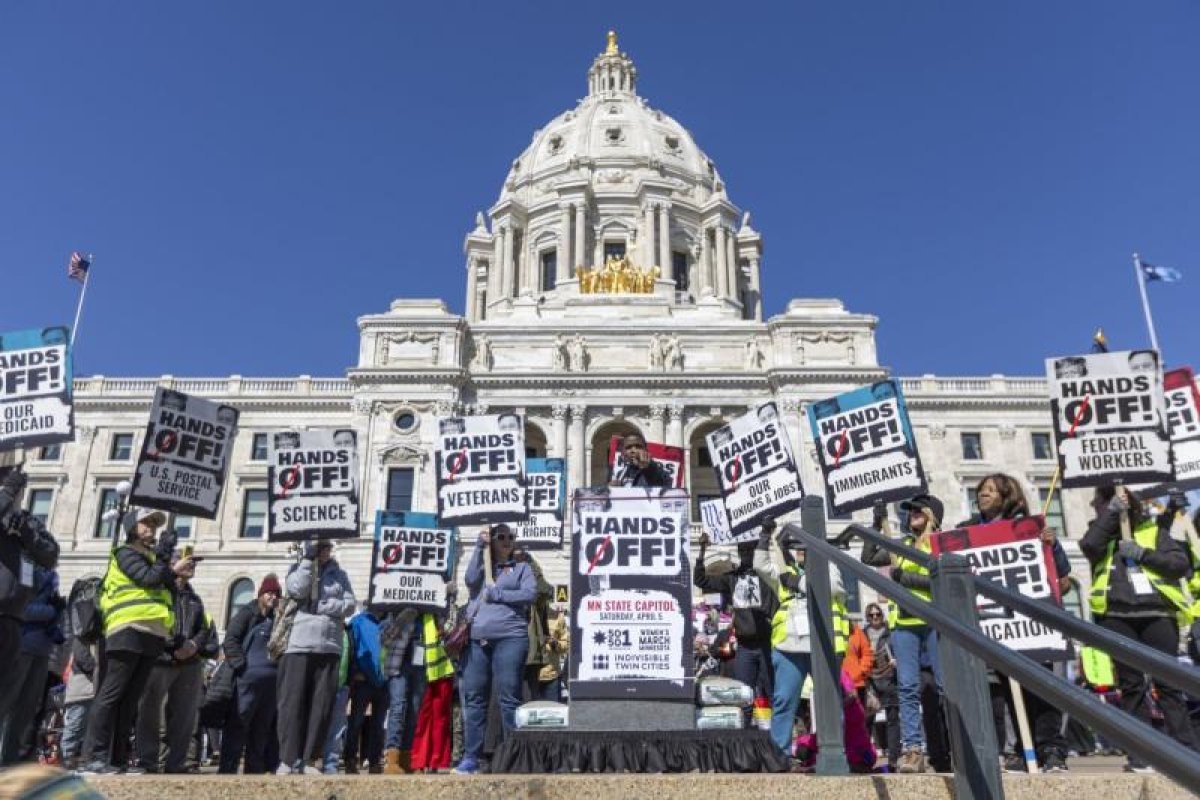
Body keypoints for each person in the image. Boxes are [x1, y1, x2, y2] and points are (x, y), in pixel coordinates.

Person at [1080, 485, 1197, 771]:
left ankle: (1187, 752)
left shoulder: (1153, 532)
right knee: (1131, 686)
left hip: (1156, 614)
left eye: (1100, 501)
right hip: (1117, 615)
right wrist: (1112, 515)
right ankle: (1141, 754)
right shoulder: (1099, 534)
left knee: (1168, 684)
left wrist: (1144, 554)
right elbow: (1089, 547)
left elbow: (1179, 564)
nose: (1095, 505)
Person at [960, 474, 1070, 773]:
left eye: (991, 490)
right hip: (996, 623)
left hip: (1033, 622)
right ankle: (1024, 749)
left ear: (1007, 496)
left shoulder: (1030, 529)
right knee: (1011, 691)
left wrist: (1051, 545)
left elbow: (1061, 575)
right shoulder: (967, 530)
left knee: (1042, 687)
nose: (982, 494)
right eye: (981, 490)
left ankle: (1052, 750)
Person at [79, 508, 187, 775]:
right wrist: (164, 555)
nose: (151, 527)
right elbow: (148, 579)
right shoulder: (125, 553)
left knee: (130, 699)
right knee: (112, 693)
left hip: (152, 632)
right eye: (145, 522)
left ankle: (117, 758)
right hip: (127, 628)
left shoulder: (151, 557)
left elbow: (169, 588)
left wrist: (170, 567)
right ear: (131, 527)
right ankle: (94, 756)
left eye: (154, 523)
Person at [860, 494, 945, 774]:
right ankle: (913, 749)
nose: (912, 514)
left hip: (935, 622)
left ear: (933, 514)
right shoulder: (902, 545)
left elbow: (941, 582)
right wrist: (876, 523)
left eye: (918, 510)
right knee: (907, 688)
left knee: (945, 687)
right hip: (905, 626)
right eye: (909, 511)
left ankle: (954, 744)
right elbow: (868, 556)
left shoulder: (941, 544)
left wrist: (905, 578)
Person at [755, 520, 844, 757]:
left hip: (823, 646)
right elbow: (760, 565)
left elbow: (833, 588)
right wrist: (765, 536)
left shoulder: (829, 566)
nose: (801, 551)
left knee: (830, 701)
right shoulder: (785, 573)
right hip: (789, 647)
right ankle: (779, 755)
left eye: (806, 546)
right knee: (784, 700)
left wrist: (796, 582)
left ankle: (834, 750)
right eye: (798, 547)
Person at [455, 524, 536, 775]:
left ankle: (514, 755)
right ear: (492, 540)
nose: (507, 540)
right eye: (501, 537)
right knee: (474, 699)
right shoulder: (482, 566)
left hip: (511, 638)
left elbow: (530, 594)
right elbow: (470, 580)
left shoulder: (522, 568)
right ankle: (472, 757)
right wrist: (478, 547)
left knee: (509, 697)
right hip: (477, 640)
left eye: (511, 537)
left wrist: (499, 594)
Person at [275, 540, 356, 774]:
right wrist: (307, 562)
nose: (325, 551)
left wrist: (322, 605)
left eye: (327, 547)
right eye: (320, 547)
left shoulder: (340, 575)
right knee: (292, 704)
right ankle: (288, 759)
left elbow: (350, 605)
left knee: (321, 707)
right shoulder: (297, 567)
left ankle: (310, 759)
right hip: (299, 645)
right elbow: (297, 590)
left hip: (329, 646)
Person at [135, 549, 218, 773]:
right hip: (161, 660)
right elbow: (152, 619)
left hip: (189, 663)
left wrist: (193, 645)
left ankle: (177, 763)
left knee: (185, 717)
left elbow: (204, 628)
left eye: (194, 562)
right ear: (173, 564)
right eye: (187, 561)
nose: (192, 565)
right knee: (151, 714)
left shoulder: (194, 598)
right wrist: (175, 646)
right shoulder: (159, 591)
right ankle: (149, 761)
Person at [695, 525, 779, 721]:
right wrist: (702, 551)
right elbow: (701, 580)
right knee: (743, 695)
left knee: (773, 692)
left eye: (750, 550)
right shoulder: (732, 578)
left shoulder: (766, 575)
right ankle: (746, 732)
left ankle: (779, 733)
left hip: (767, 643)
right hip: (745, 647)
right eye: (743, 551)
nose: (746, 554)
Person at [0, 466, 60, 695]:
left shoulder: (27, 520)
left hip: (15, 618)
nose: (17, 494)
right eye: (13, 487)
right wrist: (7, 493)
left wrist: (26, 532)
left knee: (6, 693)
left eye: (19, 489)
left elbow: (50, 555)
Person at [0, 565, 64, 765]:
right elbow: (21, 608)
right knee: (7, 702)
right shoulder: (23, 567)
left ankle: (13, 759)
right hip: (22, 645)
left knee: (28, 708)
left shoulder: (50, 575)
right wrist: (51, 611)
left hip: (42, 649)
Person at [220, 574, 281, 774]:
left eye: (276, 594)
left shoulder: (276, 619)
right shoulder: (247, 613)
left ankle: (254, 771)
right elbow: (230, 640)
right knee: (238, 724)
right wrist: (242, 667)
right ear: (261, 594)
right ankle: (228, 769)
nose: (273, 597)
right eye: (270, 593)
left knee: (261, 728)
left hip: (270, 685)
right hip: (246, 682)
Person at [345, 604, 389, 774]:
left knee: (378, 723)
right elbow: (352, 648)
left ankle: (374, 761)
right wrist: (355, 672)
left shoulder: (389, 622)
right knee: (356, 721)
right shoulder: (358, 621)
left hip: (383, 681)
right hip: (363, 680)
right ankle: (350, 759)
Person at [380, 608, 422, 774]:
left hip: (420, 663)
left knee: (414, 710)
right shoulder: (392, 613)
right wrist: (401, 620)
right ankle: (392, 759)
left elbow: (443, 630)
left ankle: (405, 758)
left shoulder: (430, 612)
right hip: (398, 665)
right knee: (398, 707)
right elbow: (384, 640)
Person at [61, 603, 100, 770]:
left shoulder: (96, 640)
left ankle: (81, 758)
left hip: (91, 691)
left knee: (87, 728)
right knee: (76, 725)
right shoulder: (80, 639)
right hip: (80, 690)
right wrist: (98, 670)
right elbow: (84, 660)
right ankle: (66, 756)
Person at [863, 603, 900, 770]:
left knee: (893, 720)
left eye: (877, 614)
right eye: (871, 615)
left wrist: (896, 661)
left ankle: (893, 759)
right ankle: (864, 758)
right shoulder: (862, 634)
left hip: (890, 679)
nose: (875, 617)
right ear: (867, 617)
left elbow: (899, 651)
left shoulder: (891, 632)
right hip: (870, 680)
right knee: (867, 721)